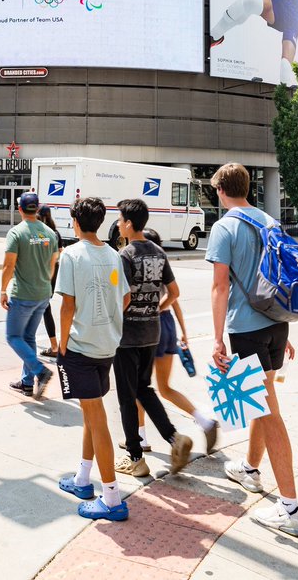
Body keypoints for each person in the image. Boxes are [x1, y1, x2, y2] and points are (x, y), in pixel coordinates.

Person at [207, 162, 298, 538]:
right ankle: (249, 469)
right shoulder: (269, 220)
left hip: (247, 328)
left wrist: (217, 338)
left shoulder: (225, 227)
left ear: (221, 190)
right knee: (260, 403)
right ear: (247, 187)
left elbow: (220, 286)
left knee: (269, 413)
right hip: (276, 322)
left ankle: (291, 508)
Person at [55, 196, 131, 521]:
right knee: (91, 412)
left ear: (75, 222)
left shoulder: (72, 255)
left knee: (96, 419)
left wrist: (61, 344)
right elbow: (124, 296)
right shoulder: (113, 255)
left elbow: (67, 305)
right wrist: (110, 322)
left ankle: (112, 498)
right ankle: (83, 479)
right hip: (106, 346)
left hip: (80, 347)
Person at [111, 200, 194, 478]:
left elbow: (123, 297)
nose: (118, 224)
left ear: (129, 224)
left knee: (126, 398)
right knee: (144, 389)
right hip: (151, 332)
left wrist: (113, 320)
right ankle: (174, 437)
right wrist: (156, 309)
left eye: (120, 220)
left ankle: (135, 458)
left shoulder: (125, 255)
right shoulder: (159, 253)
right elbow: (174, 292)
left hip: (128, 336)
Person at [128, 228, 219, 457]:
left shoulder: (140, 265)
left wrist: (154, 310)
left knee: (139, 386)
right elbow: (174, 298)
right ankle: (205, 421)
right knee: (164, 388)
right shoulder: (162, 265)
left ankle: (141, 437)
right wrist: (183, 333)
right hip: (168, 325)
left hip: (150, 325)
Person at [0, 192, 60, 398]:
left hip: (23, 294)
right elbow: (53, 265)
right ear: (37, 209)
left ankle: (40, 370)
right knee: (28, 337)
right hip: (43, 294)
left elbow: (9, 266)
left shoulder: (17, 233)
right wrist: (43, 282)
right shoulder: (49, 233)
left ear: (20, 209)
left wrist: (3, 290)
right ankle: (27, 383)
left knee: (13, 336)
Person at [37, 205, 62, 358]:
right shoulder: (55, 232)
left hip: (42, 272)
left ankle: (54, 347)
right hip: (53, 270)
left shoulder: (40, 233)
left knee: (43, 307)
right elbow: (60, 252)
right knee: (44, 306)